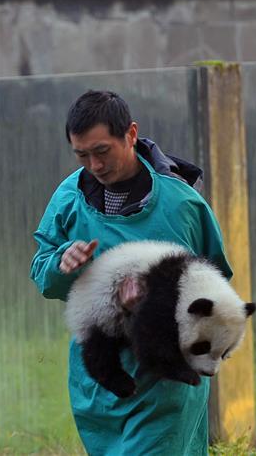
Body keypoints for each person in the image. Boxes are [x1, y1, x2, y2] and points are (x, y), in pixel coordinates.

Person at [29, 90, 231, 454]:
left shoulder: (181, 203)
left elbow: (217, 284)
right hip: (101, 385)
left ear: (131, 134)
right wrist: (61, 264)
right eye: (82, 155)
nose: (94, 165)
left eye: (102, 151)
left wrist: (157, 306)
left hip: (166, 383)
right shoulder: (68, 199)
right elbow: (43, 274)